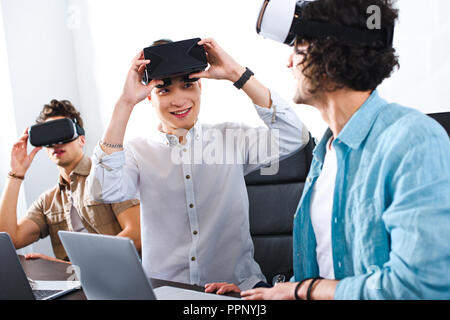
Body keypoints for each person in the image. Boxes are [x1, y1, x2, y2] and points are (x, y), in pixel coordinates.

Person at [241, 0, 450, 300]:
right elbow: (324, 268)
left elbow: (420, 286)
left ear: (330, 56)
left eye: (298, 45)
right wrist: (262, 294)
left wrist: (304, 291)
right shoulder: (324, 155)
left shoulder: (414, 141)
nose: (289, 62)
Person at [87, 38, 309, 291]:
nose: (179, 100)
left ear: (200, 86)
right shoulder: (138, 152)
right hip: (164, 290)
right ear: (149, 97)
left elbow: (294, 136)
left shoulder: (231, 139)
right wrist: (125, 102)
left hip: (237, 287)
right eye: (164, 89)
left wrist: (237, 73)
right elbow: (104, 190)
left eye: (187, 85)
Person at [0, 100, 141, 264]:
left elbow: (137, 234)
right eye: (49, 137)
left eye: (62, 133)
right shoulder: (48, 202)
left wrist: (73, 267)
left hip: (121, 277)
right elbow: (9, 240)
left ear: (81, 139)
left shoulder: (109, 176)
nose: (56, 143)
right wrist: (16, 174)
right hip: (74, 286)